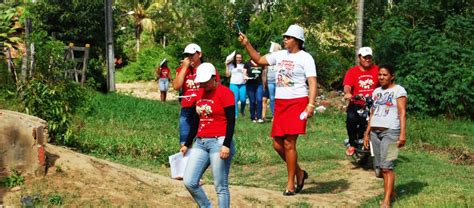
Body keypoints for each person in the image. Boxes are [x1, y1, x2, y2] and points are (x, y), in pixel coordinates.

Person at [239, 24, 317, 195]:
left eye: (288, 37)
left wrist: (311, 104)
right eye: (285, 37)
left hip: (298, 102)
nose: (285, 39)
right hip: (281, 104)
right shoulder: (280, 55)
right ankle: (299, 172)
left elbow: (312, 82)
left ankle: (290, 183)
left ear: (297, 40)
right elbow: (259, 60)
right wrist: (247, 44)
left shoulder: (306, 58)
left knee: (289, 143)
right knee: (277, 144)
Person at [181, 63, 236, 208]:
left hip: (220, 141)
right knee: (190, 181)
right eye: (201, 82)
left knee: (220, 185)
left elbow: (231, 121)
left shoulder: (225, 93)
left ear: (214, 78)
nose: (203, 84)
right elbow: (195, 120)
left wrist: (226, 144)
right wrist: (187, 143)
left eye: (206, 81)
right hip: (201, 141)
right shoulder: (200, 93)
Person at [363, 64, 407, 208]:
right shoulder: (376, 92)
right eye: (380, 75)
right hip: (375, 133)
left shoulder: (399, 90)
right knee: (379, 170)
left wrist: (402, 134)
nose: (381, 77)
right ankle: (391, 191)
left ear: (392, 76)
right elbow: (372, 112)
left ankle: (386, 201)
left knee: (387, 167)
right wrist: (367, 132)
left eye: (385, 75)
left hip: (391, 132)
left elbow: (402, 112)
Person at [172, 43, 220, 146]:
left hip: (203, 106)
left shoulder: (208, 68)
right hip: (187, 107)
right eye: (187, 55)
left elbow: (217, 86)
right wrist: (184, 68)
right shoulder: (182, 70)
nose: (189, 58)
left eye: (192, 55)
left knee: (202, 139)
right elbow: (176, 86)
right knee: (184, 141)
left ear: (200, 54)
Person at [343, 46, 379, 156]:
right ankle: (352, 143)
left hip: (374, 104)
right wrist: (348, 93)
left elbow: (384, 81)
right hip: (357, 103)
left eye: (369, 57)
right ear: (359, 57)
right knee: (351, 118)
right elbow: (347, 86)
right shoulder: (352, 72)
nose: (367, 60)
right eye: (365, 57)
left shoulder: (377, 70)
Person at [244, 58, 266, 123]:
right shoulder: (247, 64)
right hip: (250, 84)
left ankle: (259, 117)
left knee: (259, 100)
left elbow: (263, 75)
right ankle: (253, 117)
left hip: (259, 84)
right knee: (252, 101)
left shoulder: (261, 64)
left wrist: (264, 85)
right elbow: (244, 74)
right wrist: (246, 77)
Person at [225, 52, 247, 118]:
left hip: (242, 84)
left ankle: (242, 111)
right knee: (235, 100)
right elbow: (227, 75)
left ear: (242, 58)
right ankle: (235, 115)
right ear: (235, 58)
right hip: (233, 84)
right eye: (237, 58)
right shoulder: (231, 65)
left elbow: (246, 74)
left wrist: (246, 78)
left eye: (240, 58)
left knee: (243, 100)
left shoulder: (244, 65)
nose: (238, 59)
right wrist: (226, 66)